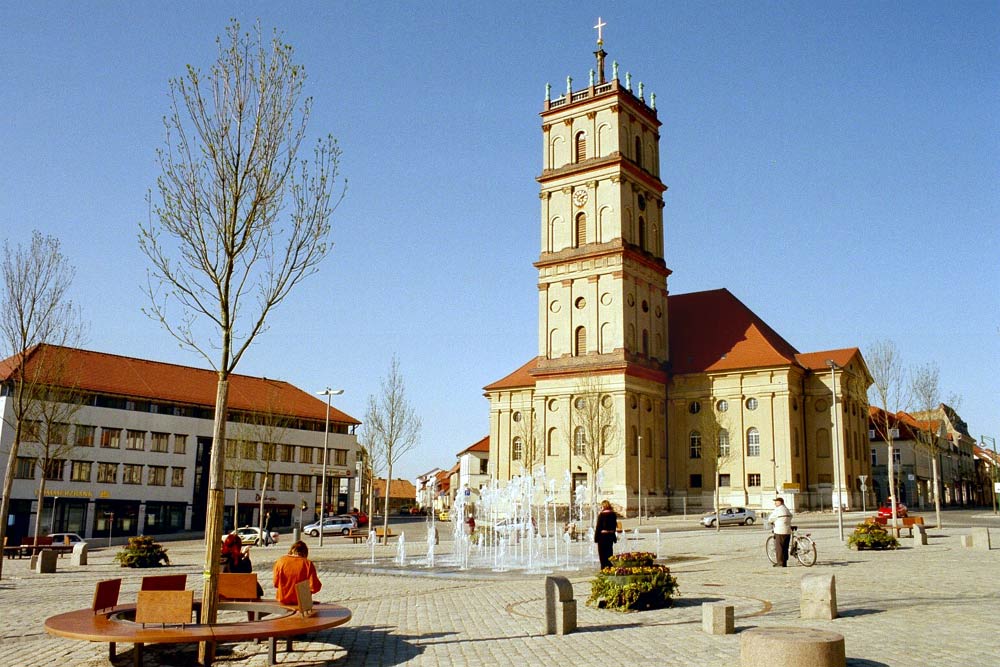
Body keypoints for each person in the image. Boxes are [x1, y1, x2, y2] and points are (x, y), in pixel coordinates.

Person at [273, 540, 322, 606]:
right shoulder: (307, 563)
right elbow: (314, 587)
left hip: (283, 598)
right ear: (305, 553)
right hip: (302, 601)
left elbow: (276, 583)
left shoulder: (280, 561)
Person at [220, 533, 264, 599]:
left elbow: (229, 556)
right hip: (238, 593)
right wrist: (247, 558)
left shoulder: (219, 559)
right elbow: (247, 570)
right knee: (254, 589)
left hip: (221, 594)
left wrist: (241, 555)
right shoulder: (236, 560)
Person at [768, 497, 793, 567]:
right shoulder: (786, 509)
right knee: (785, 547)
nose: (775, 503)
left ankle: (780, 562)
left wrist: (772, 522)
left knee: (779, 547)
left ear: (780, 502)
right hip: (788, 530)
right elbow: (791, 516)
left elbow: (770, 519)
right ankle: (784, 562)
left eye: (776, 502)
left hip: (779, 531)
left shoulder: (777, 510)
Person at [594, 499, 619, 570]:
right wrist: (614, 537)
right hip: (610, 536)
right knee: (609, 552)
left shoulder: (602, 515)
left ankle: (603, 568)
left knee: (602, 554)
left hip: (602, 537)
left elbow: (598, 527)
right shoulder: (613, 514)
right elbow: (614, 526)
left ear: (603, 506)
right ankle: (609, 567)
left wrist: (596, 538)